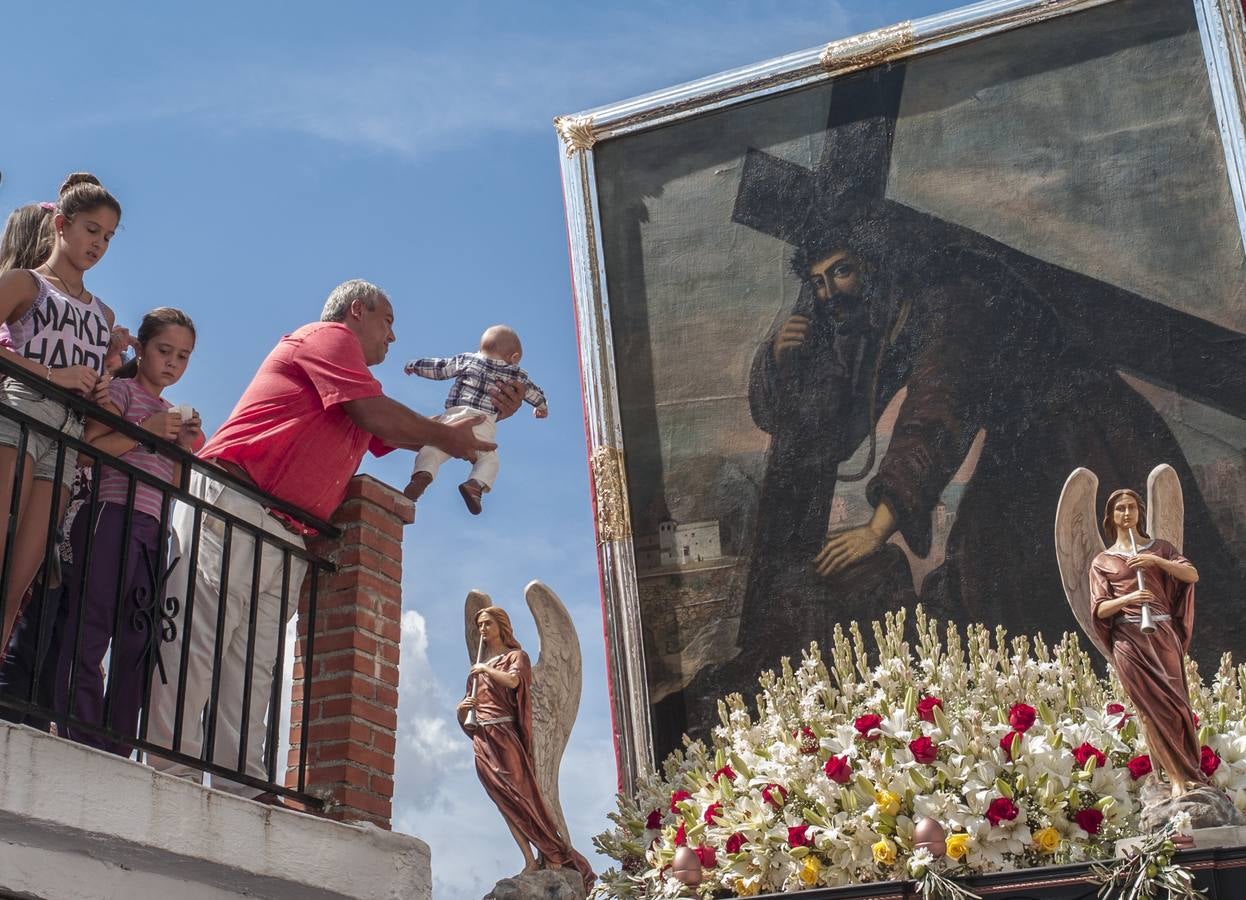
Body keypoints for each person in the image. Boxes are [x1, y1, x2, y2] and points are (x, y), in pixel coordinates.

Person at [146, 279, 523, 799]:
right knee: (199, 643)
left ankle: (243, 784)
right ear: (356, 310)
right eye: (387, 321)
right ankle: (168, 776)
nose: (393, 337)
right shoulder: (328, 338)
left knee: (250, 664)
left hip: (282, 528)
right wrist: (449, 436)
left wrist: (485, 418)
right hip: (237, 503)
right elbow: (379, 418)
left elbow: (393, 429)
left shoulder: (354, 382)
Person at [56, 308, 201, 755]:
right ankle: (78, 730)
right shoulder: (119, 393)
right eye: (164, 350)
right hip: (109, 514)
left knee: (139, 637)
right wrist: (145, 431)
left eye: (183, 356)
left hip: (153, 528)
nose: (173, 362)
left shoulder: (171, 414)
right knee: (91, 622)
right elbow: (87, 454)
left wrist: (181, 449)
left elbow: (177, 486)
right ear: (140, 348)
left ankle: (116, 741)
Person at [0, 173, 121, 648]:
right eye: (92, 230)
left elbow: (84, 379)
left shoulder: (104, 316)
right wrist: (53, 375)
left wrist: (99, 396)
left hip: (67, 439)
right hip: (22, 413)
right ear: (62, 225)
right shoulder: (24, 283)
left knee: (17, 581)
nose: (99, 243)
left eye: (108, 236)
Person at [456, 606, 594, 891]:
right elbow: (470, 708)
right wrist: (461, 710)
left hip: (505, 734)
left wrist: (485, 668)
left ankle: (553, 850)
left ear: (501, 626)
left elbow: (515, 681)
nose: (482, 630)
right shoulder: (478, 667)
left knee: (523, 797)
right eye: (479, 625)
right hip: (484, 736)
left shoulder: (515, 657)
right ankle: (529, 859)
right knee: (504, 802)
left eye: (487, 625)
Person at [1089, 488, 1203, 797]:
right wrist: (1130, 597)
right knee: (1149, 709)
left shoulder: (1160, 548)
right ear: (1111, 518)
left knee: (1176, 706)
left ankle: (1191, 771)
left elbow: (1191, 575)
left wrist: (1157, 562)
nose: (1126, 514)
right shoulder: (1104, 561)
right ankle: (1175, 778)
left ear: (1140, 512)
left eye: (1131, 508)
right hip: (1129, 639)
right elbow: (1099, 609)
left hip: (1163, 634)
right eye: (1119, 509)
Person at [402, 324, 548, 514]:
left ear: (481, 348)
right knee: (489, 460)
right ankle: (475, 485)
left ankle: (422, 475)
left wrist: (416, 365)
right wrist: (541, 406)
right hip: (483, 423)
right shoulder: (516, 374)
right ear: (515, 357)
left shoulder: (468, 359)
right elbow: (532, 392)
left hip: (454, 418)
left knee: (431, 448)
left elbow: (441, 368)